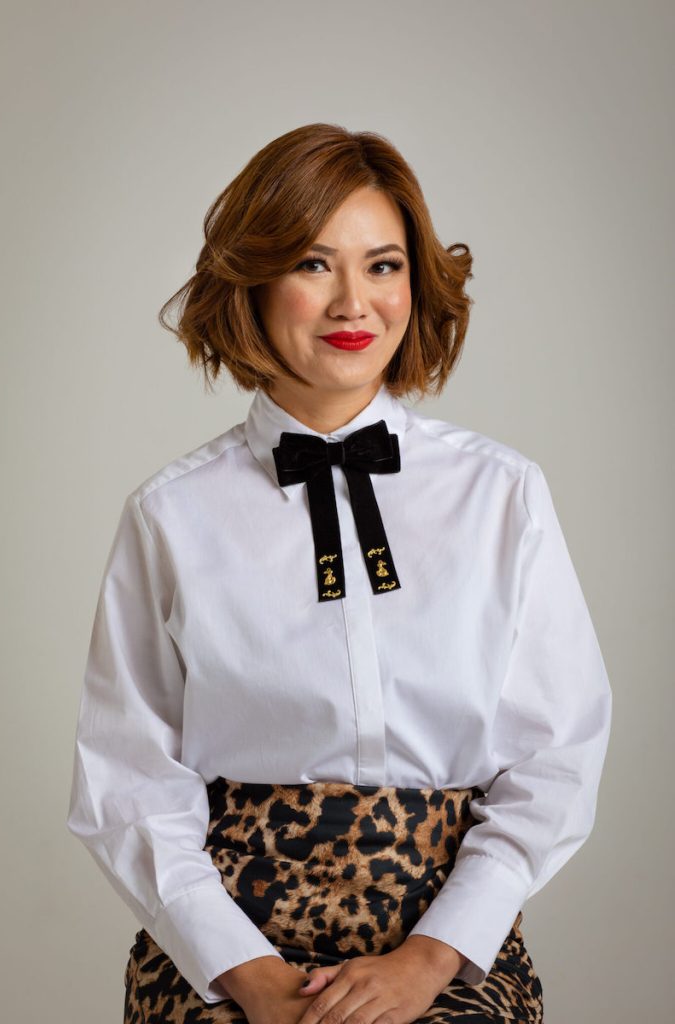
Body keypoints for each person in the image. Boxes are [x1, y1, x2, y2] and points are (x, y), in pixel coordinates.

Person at [66, 123, 612, 1024]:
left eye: (384, 265)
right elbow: (126, 777)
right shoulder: (170, 514)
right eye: (314, 265)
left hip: (444, 935)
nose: (353, 303)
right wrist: (245, 969)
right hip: (229, 939)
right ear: (252, 279)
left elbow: (555, 756)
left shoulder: (501, 494)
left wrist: (431, 957)